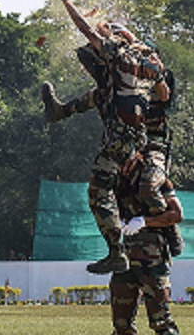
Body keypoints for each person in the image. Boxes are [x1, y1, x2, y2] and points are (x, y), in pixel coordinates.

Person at [55, 0, 169, 274]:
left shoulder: (120, 54)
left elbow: (86, 30)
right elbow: (164, 94)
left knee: (99, 191)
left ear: (122, 38)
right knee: (131, 191)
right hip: (138, 137)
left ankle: (116, 251)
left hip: (119, 138)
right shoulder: (152, 63)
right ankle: (159, 233)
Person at [42, 57, 184, 256]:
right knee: (103, 191)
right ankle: (61, 111)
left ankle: (170, 230)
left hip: (153, 147)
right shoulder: (124, 86)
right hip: (129, 145)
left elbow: (163, 93)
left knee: (149, 186)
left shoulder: (157, 79)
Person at [92, 153, 183, 335]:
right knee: (121, 319)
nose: (120, 162)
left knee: (160, 318)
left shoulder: (153, 176)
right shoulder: (113, 177)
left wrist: (144, 221)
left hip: (152, 258)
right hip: (124, 257)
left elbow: (176, 214)